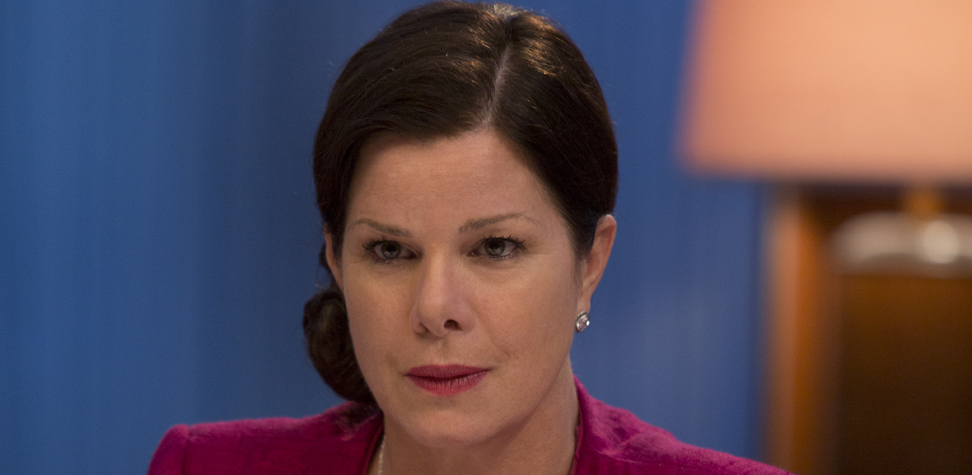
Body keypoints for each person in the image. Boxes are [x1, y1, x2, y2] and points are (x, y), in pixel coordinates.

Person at [148, 2, 788, 474]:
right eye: (390, 250)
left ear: (590, 262)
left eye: (495, 247)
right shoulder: (201, 467)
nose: (434, 308)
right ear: (337, 262)